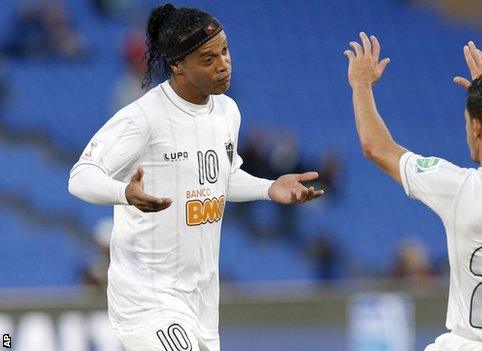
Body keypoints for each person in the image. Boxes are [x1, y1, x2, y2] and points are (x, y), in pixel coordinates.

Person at [68, 4, 324, 350]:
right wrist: (124, 193)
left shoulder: (227, 111)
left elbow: (224, 177)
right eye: (208, 59)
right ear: (177, 66)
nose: (223, 64)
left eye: (225, 50)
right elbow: (80, 176)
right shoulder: (144, 117)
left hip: (202, 298)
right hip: (148, 296)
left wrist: (268, 188)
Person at [344, 33, 482, 351]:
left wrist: (361, 85)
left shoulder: (464, 188)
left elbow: (376, 147)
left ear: (477, 127)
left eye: (468, 121)